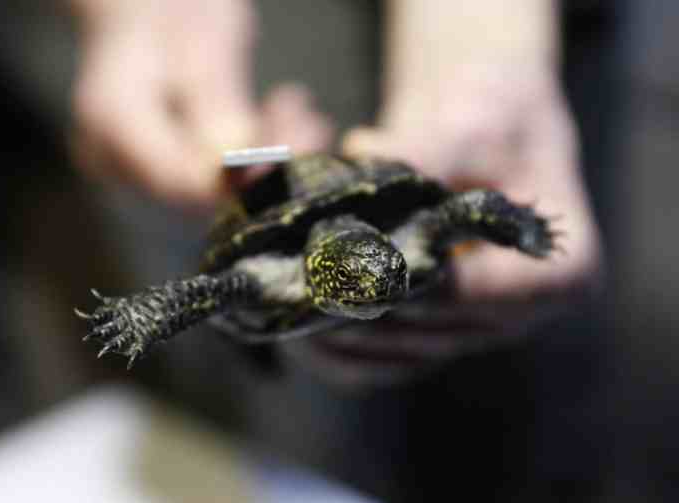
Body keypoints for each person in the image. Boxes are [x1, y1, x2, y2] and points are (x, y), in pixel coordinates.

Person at [66, 0, 602, 347]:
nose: (375, 292)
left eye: (383, 280)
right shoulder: (267, 270)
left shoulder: (414, 232)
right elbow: (212, 288)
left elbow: (470, 208)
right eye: (359, 287)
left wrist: (486, 45)